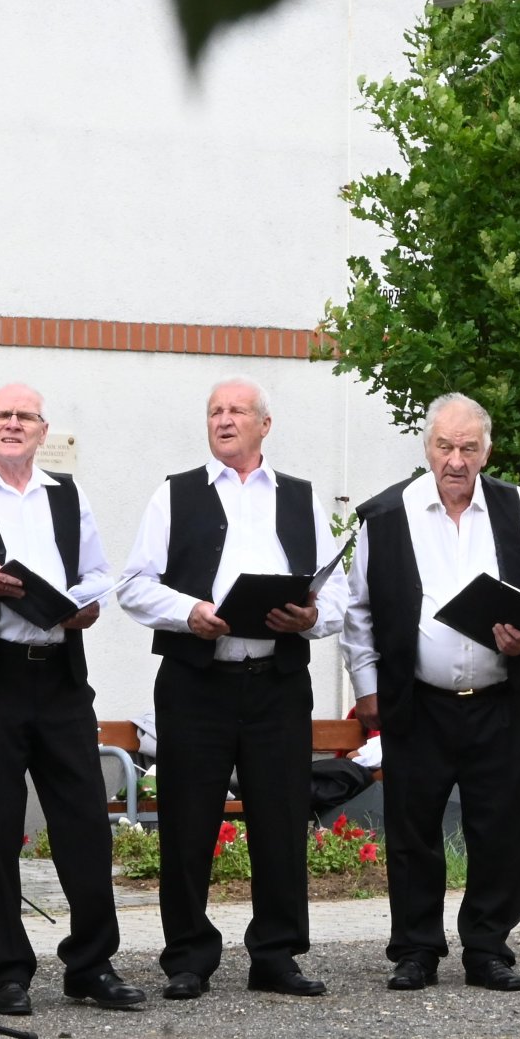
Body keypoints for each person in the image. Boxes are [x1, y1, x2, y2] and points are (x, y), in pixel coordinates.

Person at [0, 383, 142, 1016]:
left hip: (60, 675)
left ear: (43, 431)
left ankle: (92, 964)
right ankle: (6, 970)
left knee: (84, 821)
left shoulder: (68, 497)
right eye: (2, 416)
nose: (13, 424)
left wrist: (82, 605)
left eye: (26, 417)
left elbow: (100, 574)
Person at [117, 378, 346, 1000]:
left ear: (264, 425)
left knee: (281, 818)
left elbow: (340, 598)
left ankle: (277, 954)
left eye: (236, 411)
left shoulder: (301, 498)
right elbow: (133, 586)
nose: (223, 420)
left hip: (275, 683)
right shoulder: (175, 494)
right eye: (214, 410)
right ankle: (188, 956)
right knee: (188, 823)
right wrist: (188, 611)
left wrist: (309, 618)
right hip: (197, 683)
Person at [342, 393, 520, 992]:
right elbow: (358, 609)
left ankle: (488, 948)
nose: (456, 460)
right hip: (419, 699)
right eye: (445, 446)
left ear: (487, 450)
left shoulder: (519, 509)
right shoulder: (387, 514)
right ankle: (415, 949)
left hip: (496, 698)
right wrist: (366, 688)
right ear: (427, 447)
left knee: (500, 828)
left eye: (468, 447)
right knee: (412, 829)